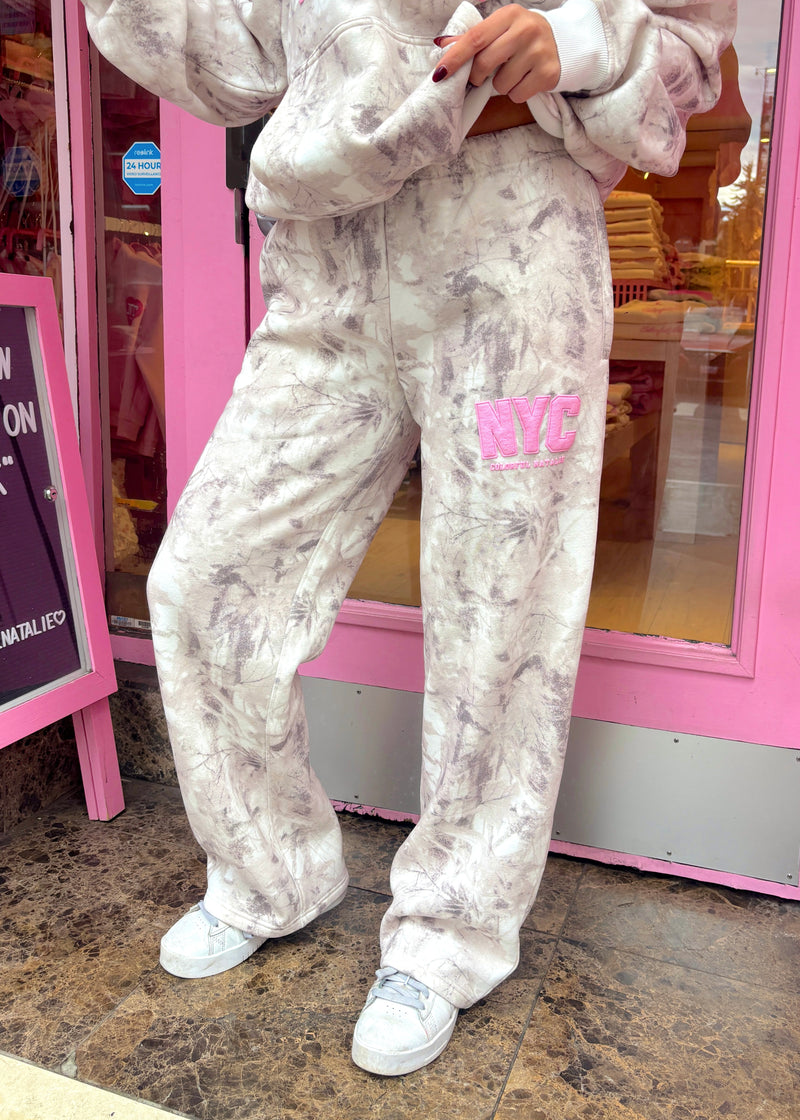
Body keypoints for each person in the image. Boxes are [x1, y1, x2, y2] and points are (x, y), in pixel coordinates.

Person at [82, 0, 735, 1078]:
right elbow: (232, 59)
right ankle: (269, 871)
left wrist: (573, 41)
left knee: (500, 619)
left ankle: (450, 932)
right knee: (206, 580)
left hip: (512, 241)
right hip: (326, 256)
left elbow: (689, 47)